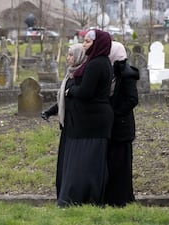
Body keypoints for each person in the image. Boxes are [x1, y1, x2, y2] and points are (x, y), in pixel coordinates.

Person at [57, 29, 114, 207]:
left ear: (98, 44)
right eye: (84, 41)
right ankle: (82, 198)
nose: (84, 44)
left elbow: (86, 92)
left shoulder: (97, 64)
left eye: (88, 42)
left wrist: (70, 90)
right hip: (89, 121)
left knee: (86, 162)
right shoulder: (97, 62)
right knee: (85, 161)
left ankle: (80, 197)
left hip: (93, 122)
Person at [41, 43, 87, 198]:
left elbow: (75, 98)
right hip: (67, 126)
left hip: (77, 126)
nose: (68, 58)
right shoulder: (69, 75)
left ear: (80, 56)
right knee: (63, 162)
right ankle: (62, 192)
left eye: (71, 55)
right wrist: (49, 112)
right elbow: (63, 99)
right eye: (68, 55)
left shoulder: (81, 76)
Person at [105, 41, 139, 207]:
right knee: (111, 162)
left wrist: (114, 112)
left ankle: (122, 199)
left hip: (122, 126)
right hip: (112, 125)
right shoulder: (111, 71)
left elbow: (132, 99)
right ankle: (112, 197)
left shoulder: (126, 73)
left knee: (121, 164)